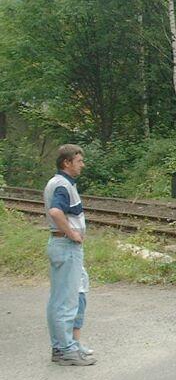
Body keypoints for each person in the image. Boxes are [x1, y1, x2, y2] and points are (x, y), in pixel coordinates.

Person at [44, 144, 96, 366]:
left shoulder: (60, 184)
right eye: (79, 161)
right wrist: (72, 233)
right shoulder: (62, 185)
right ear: (67, 163)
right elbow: (55, 211)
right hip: (65, 245)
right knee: (66, 300)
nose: (82, 165)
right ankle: (66, 350)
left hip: (62, 245)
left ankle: (64, 347)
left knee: (65, 297)